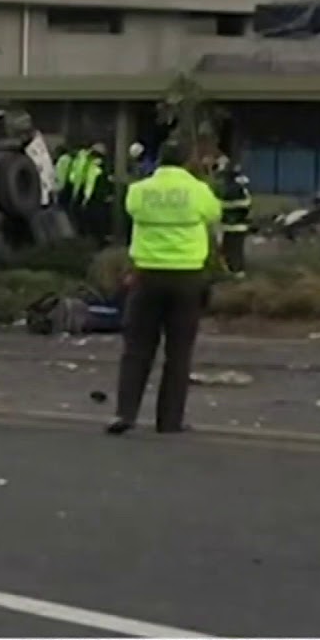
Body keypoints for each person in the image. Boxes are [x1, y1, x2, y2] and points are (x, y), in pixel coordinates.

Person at [107, 140, 222, 437]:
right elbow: (213, 214)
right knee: (178, 352)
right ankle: (169, 421)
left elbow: (130, 210)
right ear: (187, 162)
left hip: (147, 276)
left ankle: (125, 413)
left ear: (159, 160)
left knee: (137, 348)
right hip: (186, 278)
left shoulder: (140, 190)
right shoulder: (198, 190)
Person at [213, 155, 252, 275]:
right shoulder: (239, 186)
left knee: (232, 250)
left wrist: (219, 206)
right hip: (236, 224)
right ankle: (235, 271)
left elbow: (229, 204)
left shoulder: (231, 188)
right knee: (233, 250)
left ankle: (236, 271)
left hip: (231, 224)